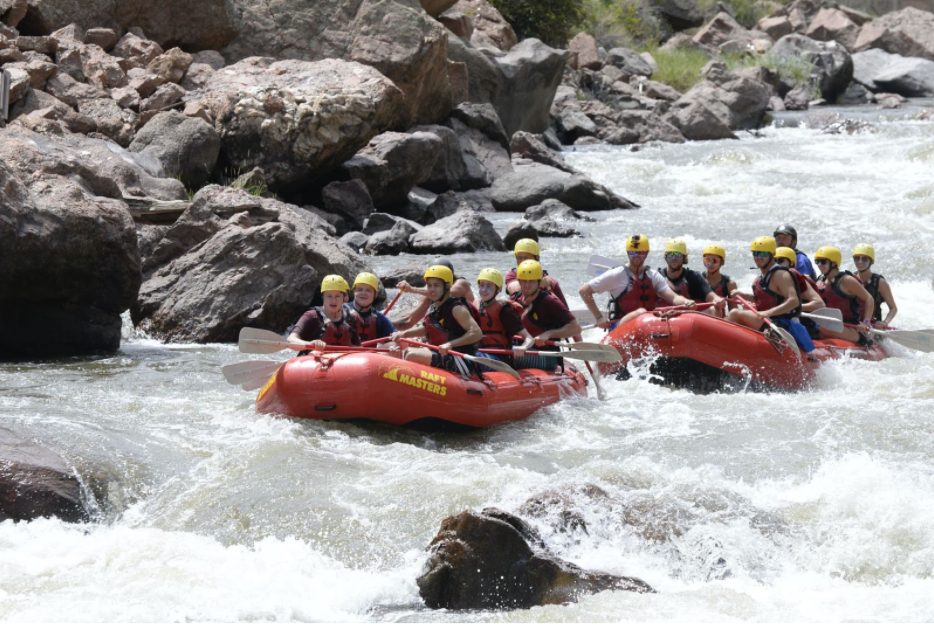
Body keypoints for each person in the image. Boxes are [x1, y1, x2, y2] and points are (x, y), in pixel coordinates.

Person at [579, 234, 696, 330]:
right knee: (641, 312)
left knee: (651, 314)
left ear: (646, 253)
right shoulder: (617, 274)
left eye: (640, 253)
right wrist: (599, 317)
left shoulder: (653, 275)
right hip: (619, 326)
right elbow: (584, 291)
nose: (636, 257)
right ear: (627, 252)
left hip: (648, 326)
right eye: (632, 253)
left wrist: (686, 301)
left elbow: (674, 298)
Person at [390, 264, 483, 376]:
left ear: (447, 287)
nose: (432, 290)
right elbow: (428, 329)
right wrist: (403, 334)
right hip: (442, 353)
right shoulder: (436, 306)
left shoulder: (457, 308)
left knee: (411, 355)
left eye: (436, 286)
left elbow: (477, 333)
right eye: (429, 285)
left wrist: (450, 344)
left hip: (460, 359)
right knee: (400, 350)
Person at [728, 236, 814, 353]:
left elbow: (793, 301)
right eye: (755, 253)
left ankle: (715, 344)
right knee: (741, 316)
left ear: (772, 254)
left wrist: (768, 313)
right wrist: (743, 295)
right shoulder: (762, 277)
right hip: (769, 321)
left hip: (783, 325)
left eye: (762, 254)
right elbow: (765, 300)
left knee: (735, 313)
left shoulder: (780, 274)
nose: (758, 257)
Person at [513, 259, 581, 370]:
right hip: (521, 348)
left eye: (531, 281)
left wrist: (549, 334)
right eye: (523, 281)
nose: (527, 285)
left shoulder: (550, 301)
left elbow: (576, 328)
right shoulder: (515, 299)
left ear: (538, 282)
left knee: (511, 357)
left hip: (546, 355)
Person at [813, 245, 874, 344]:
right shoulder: (821, 280)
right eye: (817, 261)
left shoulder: (846, 280)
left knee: (823, 329)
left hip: (851, 327)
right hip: (829, 323)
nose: (819, 265)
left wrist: (866, 322)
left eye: (823, 261)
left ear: (833, 264)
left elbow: (869, 299)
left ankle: (864, 340)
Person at [394, 258, 475, 331]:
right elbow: (411, 320)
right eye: (430, 283)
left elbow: (446, 292)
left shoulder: (461, 284)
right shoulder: (429, 292)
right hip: (449, 325)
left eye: (437, 283)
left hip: (470, 324)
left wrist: (412, 289)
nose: (432, 287)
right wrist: (389, 325)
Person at [287, 274, 360, 351]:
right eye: (329, 296)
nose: (333, 300)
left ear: (343, 298)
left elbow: (358, 347)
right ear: (323, 297)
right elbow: (291, 339)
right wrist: (310, 344)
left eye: (337, 296)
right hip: (315, 360)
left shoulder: (350, 318)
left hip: (342, 361)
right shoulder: (312, 316)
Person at [659, 239, 724, 314]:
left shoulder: (693, 277)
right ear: (665, 257)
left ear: (684, 257)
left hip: (687, 318)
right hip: (661, 318)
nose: (674, 259)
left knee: (715, 310)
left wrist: (717, 299)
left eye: (678, 255)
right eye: (671, 255)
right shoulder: (657, 277)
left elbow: (711, 296)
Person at [775, 246, 825, 339]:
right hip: (779, 322)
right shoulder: (771, 280)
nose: (776, 264)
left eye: (781, 260)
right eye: (774, 261)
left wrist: (794, 308)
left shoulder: (798, 280)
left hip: (804, 326)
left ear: (791, 263)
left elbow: (819, 304)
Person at [474, 268, 524, 357]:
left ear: (498, 289)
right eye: (481, 285)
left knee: (476, 355)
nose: (484, 289)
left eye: (489, 286)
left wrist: (523, 347)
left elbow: (528, 338)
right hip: (480, 351)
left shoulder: (505, 311)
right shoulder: (475, 306)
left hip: (500, 357)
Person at [504, 238, 569, 306]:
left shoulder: (550, 281)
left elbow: (564, 308)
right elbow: (515, 290)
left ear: (537, 258)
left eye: (526, 258)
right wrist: (539, 284)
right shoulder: (512, 275)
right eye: (519, 258)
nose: (522, 261)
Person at [852, 243, 898, 326]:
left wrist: (885, 322)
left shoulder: (880, 282)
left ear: (871, 261)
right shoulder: (850, 279)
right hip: (855, 323)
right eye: (857, 258)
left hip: (873, 325)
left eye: (864, 259)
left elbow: (893, 308)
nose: (860, 262)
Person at [348, 272, 395, 344]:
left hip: (368, 354)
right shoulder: (341, 310)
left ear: (375, 294)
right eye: (360, 289)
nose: (363, 293)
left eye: (368, 290)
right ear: (354, 292)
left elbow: (394, 336)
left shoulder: (379, 319)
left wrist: (394, 344)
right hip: (341, 353)